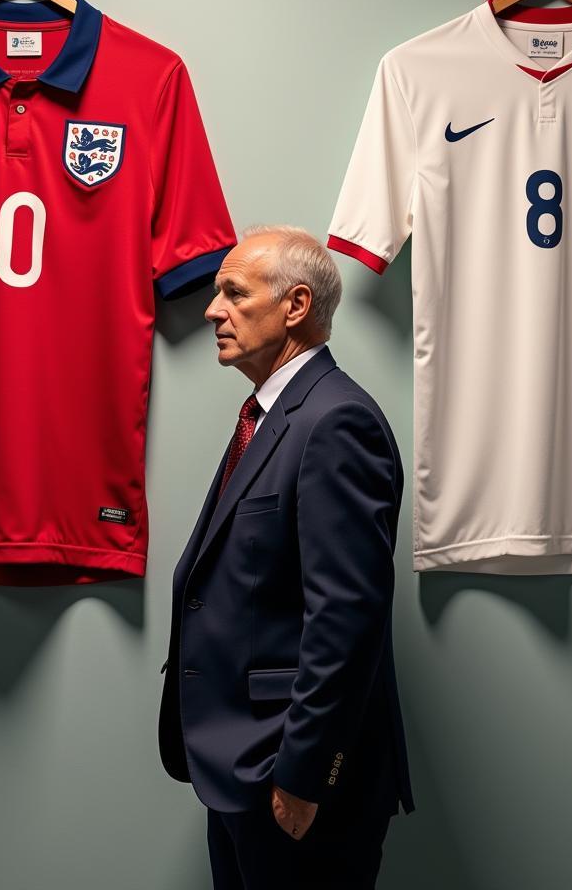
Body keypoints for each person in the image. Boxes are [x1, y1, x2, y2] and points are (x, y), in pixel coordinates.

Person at [158, 224, 414, 888]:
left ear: (296, 306)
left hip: (296, 784)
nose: (214, 310)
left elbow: (347, 618)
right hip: (241, 770)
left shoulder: (335, 422)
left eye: (234, 293)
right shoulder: (271, 417)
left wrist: (304, 776)